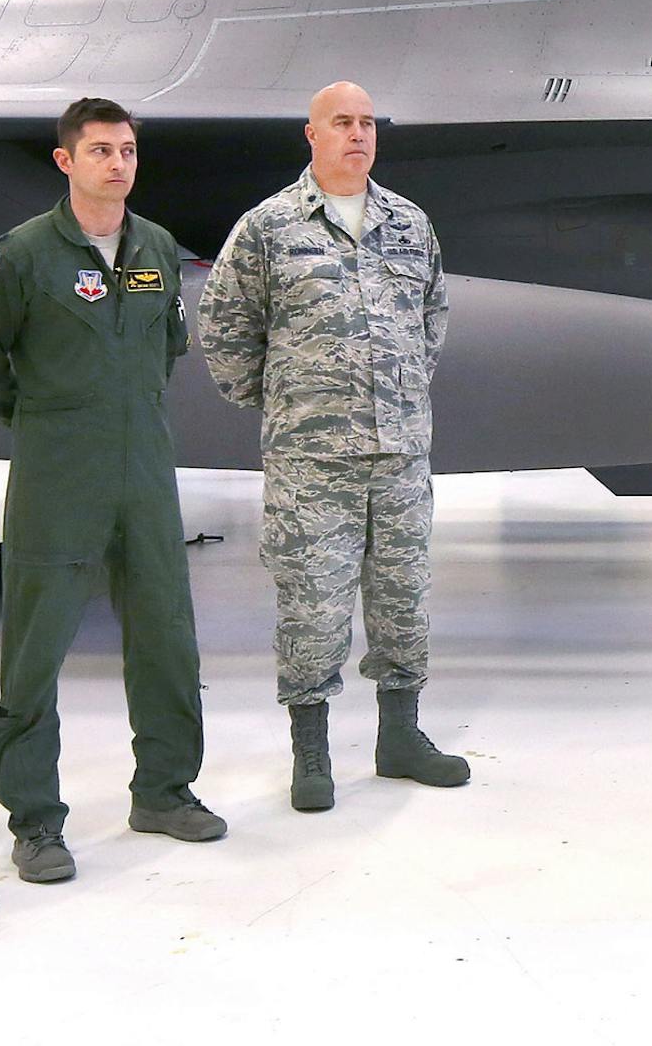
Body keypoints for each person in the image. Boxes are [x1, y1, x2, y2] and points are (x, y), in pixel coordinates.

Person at [199, 81, 467, 814]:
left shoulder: (409, 223)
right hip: (310, 464)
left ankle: (400, 736)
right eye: (342, 122)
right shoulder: (269, 227)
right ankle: (311, 752)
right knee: (312, 607)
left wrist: (399, 389)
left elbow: (431, 317)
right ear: (311, 134)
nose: (358, 133)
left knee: (404, 599)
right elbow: (223, 328)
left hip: (402, 456)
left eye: (367, 122)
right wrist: (291, 398)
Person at [0, 97, 225, 885]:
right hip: (59, 474)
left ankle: (164, 789)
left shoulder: (155, 245)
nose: (117, 163)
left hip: (145, 473)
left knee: (166, 635)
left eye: (126, 149)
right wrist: (52, 418)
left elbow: (165, 349)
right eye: (99, 150)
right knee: (34, 650)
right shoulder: (22, 254)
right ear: (66, 161)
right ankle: (35, 822)